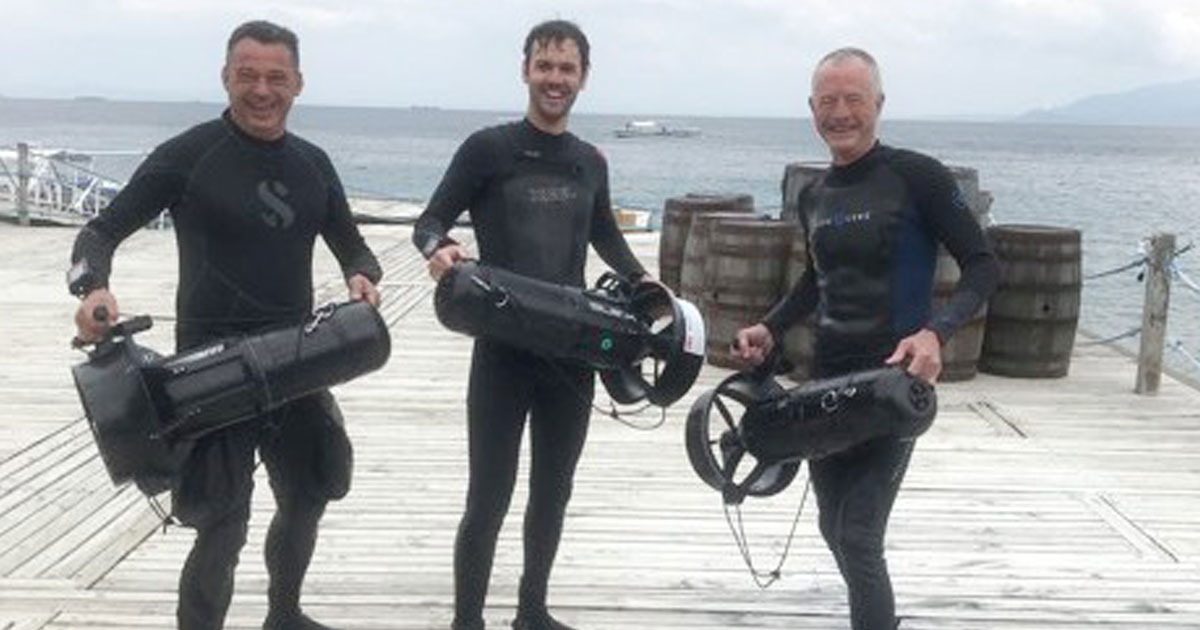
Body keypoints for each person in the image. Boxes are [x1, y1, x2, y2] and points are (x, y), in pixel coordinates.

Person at [67, 20, 382, 630]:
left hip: (297, 361)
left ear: (298, 84)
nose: (261, 90)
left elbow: (354, 247)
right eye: (247, 76)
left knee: (309, 494)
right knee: (222, 522)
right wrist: (92, 288)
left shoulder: (313, 164)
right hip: (211, 373)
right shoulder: (188, 155)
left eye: (276, 78)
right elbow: (99, 232)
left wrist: (361, 276)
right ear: (225, 78)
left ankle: (284, 615)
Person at [734, 48, 999, 630]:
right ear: (811, 109)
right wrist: (770, 326)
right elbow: (817, 279)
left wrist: (936, 332)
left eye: (854, 99)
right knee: (833, 527)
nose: (841, 113)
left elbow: (983, 266)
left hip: (892, 386)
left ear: (879, 104)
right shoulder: (813, 194)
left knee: (857, 534)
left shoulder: (919, 177)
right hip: (825, 383)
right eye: (828, 101)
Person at [413, 19, 649, 630]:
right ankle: (467, 621)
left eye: (567, 68)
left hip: (571, 355)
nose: (555, 79)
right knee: (488, 497)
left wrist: (650, 287)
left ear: (584, 77)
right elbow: (429, 222)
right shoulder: (488, 149)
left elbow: (605, 236)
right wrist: (440, 249)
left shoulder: (589, 161)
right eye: (545, 66)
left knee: (553, 492)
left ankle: (531, 612)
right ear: (525, 70)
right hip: (503, 349)